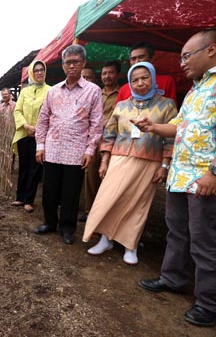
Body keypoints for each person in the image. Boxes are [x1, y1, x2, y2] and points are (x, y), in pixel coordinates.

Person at [133, 28, 216, 327]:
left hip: (209, 177)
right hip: (181, 175)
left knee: (205, 239)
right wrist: (153, 127)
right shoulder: (197, 87)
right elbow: (180, 126)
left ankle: (208, 302)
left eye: (186, 56)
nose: (182, 63)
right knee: (177, 231)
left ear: (211, 50)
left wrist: (215, 172)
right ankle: (172, 279)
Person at [82, 62, 177, 265]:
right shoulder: (122, 105)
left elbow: (171, 138)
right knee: (109, 199)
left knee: (138, 205)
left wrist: (164, 166)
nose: (140, 83)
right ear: (129, 82)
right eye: (135, 79)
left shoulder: (167, 105)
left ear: (153, 79)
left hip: (148, 162)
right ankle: (105, 239)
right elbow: (109, 134)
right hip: (119, 159)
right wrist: (104, 161)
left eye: (145, 78)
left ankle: (130, 245)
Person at [33, 44, 103, 244]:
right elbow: (43, 119)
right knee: (49, 189)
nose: (71, 66)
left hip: (76, 151)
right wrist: (40, 146)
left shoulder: (93, 91)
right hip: (53, 148)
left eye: (76, 62)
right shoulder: (53, 91)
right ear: (62, 65)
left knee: (70, 193)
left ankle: (67, 228)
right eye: (68, 62)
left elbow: (96, 124)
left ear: (83, 63)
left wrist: (90, 150)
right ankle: (49, 223)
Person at [80, 60, 122, 222]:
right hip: (93, 140)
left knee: (108, 177)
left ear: (118, 74)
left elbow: (114, 117)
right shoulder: (96, 92)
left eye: (111, 73)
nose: (107, 76)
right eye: (104, 73)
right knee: (90, 174)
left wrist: (98, 122)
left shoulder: (123, 93)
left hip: (112, 140)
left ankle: (105, 213)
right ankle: (90, 210)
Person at [11, 60, 50, 213]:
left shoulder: (51, 91)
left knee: (35, 168)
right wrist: (26, 126)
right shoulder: (25, 92)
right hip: (23, 133)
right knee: (24, 166)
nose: (40, 72)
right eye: (37, 70)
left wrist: (37, 128)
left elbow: (50, 113)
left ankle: (29, 200)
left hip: (39, 135)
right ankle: (20, 197)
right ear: (32, 73)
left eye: (42, 70)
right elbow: (17, 111)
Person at [117, 41, 177, 106]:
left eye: (141, 57)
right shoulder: (123, 89)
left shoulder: (167, 81)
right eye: (133, 59)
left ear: (151, 58)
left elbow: (172, 110)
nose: (137, 61)